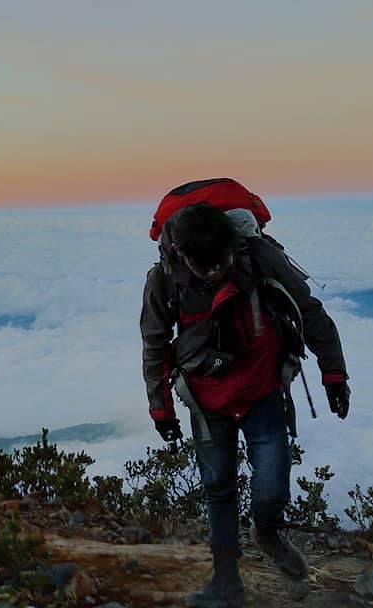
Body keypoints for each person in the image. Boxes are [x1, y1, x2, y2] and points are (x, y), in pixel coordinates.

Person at [140, 202, 350, 606]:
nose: (214, 272)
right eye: (204, 266)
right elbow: (154, 343)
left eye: (220, 262)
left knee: (272, 486)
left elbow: (309, 311)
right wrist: (160, 409)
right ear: (182, 255)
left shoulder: (258, 258)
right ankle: (226, 582)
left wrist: (334, 374)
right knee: (218, 489)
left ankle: (266, 531)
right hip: (206, 401)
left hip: (262, 390)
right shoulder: (164, 279)